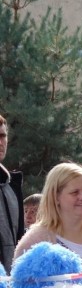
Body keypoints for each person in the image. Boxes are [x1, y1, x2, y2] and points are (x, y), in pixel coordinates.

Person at [0, 114, 24, 273]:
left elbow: (19, 240)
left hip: (10, 286)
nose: (0, 142)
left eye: (2, 136)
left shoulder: (12, 185)